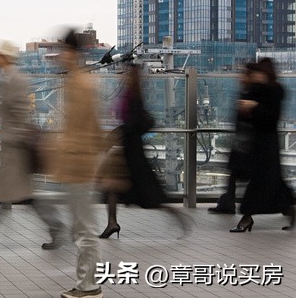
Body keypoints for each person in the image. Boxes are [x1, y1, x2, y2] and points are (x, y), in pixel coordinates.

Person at [0, 40, 65, 251]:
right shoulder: (8, 78)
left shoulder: (15, 80)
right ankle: (55, 226)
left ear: (5, 58)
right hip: (12, 146)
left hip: (14, 148)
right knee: (24, 194)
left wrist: (12, 137)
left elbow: (20, 114)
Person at [97, 64, 190, 239]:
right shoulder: (130, 95)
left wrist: (116, 133)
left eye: (125, 73)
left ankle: (177, 216)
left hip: (132, 153)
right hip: (128, 150)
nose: (121, 75)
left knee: (148, 196)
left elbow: (132, 124)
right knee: (112, 187)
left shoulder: (133, 97)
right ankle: (112, 223)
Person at [52, 30, 103, 298]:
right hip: (78, 163)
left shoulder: (81, 84)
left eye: (62, 50)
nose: (59, 55)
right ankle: (86, 283)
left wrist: (68, 152)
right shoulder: (77, 81)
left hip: (79, 164)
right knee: (81, 227)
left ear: (72, 53)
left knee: (85, 228)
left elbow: (86, 128)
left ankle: (89, 286)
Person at [230, 58, 296, 232]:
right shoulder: (254, 90)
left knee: (260, 181)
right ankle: (288, 207)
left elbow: (271, 117)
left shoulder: (276, 91)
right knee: (272, 181)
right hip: (255, 142)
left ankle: (246, 217)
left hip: (267, 143)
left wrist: (253, 107)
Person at [208, 66, 256, 214]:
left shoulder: (252, 93)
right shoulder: (246, 91)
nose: (240, 77)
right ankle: (228, 203)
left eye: (244, 74)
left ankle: (231, 204)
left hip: (246, 143)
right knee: (235, 174)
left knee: (242, 174)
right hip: (242, 142)